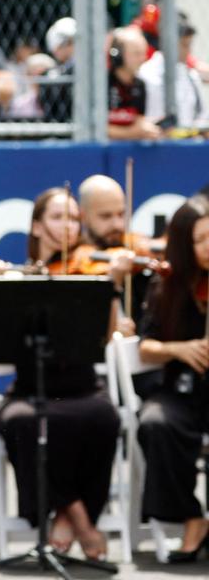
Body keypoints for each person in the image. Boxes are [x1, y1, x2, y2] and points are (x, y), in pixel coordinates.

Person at [0, 187, 123, 561]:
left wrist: (111, 289)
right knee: (23, 423)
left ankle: (66, 514)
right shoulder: (19, 279)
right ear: (36, 226)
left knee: (103, 418)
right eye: (57, 218)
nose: (68, 227)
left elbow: (105, 337)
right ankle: (80, 518)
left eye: (72, 218)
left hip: (82, 387)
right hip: (30, 390)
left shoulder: (90, 272)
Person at [134, 195, 209, 563]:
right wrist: (180, 349)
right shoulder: (165, 286)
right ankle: (192, 517)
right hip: (179, 391)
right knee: (154, 424)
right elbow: (145, 346)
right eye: (200, 240)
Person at [139, 15, 208, 131]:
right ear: (168, 43)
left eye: (190, 44)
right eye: (185, 45)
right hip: (156, 143)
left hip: (188, 142)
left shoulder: (190, 75)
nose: (189, 51)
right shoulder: (146, 74)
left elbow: (202, 116)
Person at [107, 27, 161, 141]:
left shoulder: (140, 85)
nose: (143, 59)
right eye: (136, 53)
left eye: (143, 53)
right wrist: (131, 132)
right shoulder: (103, 84)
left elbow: (139, 122)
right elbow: (96, 128)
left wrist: (149, 129)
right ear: (118, 55)